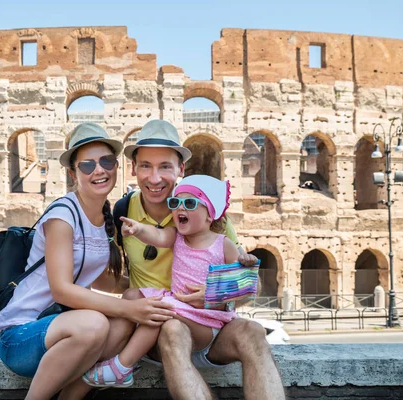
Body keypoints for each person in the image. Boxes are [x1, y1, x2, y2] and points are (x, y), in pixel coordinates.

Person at [0, 122, 175, 400]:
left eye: (106, 161)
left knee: (123, 320)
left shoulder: (102, 215)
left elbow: (98, 277)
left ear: (116, 166)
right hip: (22, 336)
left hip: (59, 331)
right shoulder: (62, 216)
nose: (99, 170)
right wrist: (131, 309)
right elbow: (62, 290)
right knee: (97, 322)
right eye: (87, 165)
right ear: (73, 173)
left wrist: (151, 290)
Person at [117, 120, 285, 400]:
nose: (154, 178)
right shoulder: (122, 213)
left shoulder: (211, 216)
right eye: (145, 165)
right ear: (133, 168)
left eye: (165, 167)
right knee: (172, 328)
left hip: (211, 329)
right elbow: (108, 275)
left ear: (181, 169)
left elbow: (246, 285)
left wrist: (215, 294)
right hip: (160, 333)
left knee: (253, 333)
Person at [82, 175, 243, 387]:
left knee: (156, 311)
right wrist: (138, 229)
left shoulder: (223, 244)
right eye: (175, 203)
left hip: (206, 319)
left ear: (209, 215)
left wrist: (244, 262)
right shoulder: (177, 237)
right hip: (179, 305)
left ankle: (122, 366)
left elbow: (241, 280)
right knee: (132, 295)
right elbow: (157, 236)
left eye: (190, 203)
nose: (180, 208)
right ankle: (123, 356)